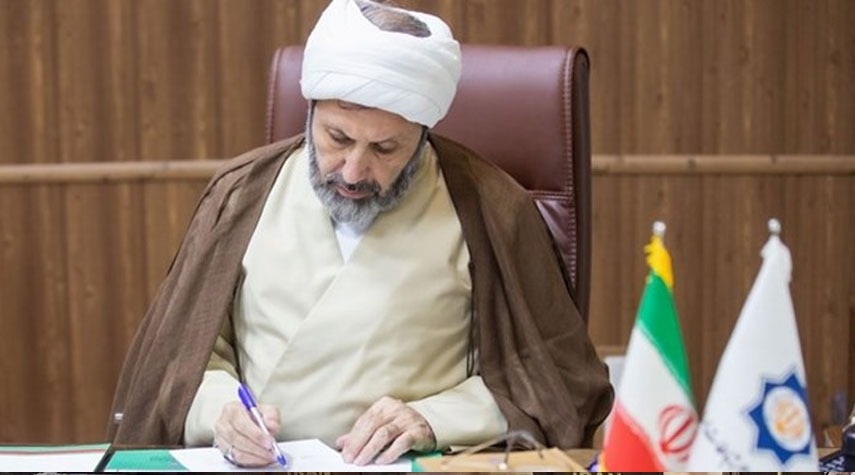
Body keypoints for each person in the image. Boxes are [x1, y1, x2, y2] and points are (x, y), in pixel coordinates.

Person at [108, 0, 613, 468]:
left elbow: (557, 380)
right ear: (310, 112)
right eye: (337, 138)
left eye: (385, 149)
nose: (353, 171)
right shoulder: (241, 196)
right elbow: (183, 358)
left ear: (423, 135)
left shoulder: (489, 209)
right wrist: (221, 413)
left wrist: (435, 419)